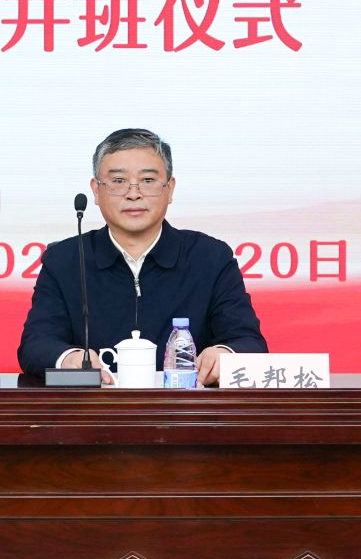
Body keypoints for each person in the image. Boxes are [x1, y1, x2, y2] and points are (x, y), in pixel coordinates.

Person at [18, 128, 267, 385]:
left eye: (148, 180)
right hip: (94, 407)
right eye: (118, 181)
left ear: (170, 189)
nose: (133, 194)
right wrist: (68, 358)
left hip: (183, 407)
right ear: (96, 191)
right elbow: (36, 344)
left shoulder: (210, 258)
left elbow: (249, 342)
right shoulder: (64, 260)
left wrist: (225, 354)